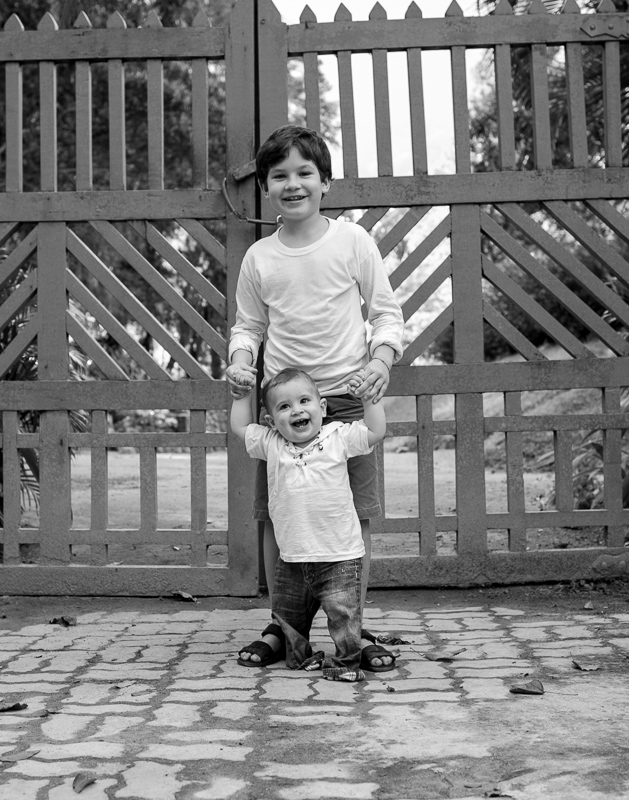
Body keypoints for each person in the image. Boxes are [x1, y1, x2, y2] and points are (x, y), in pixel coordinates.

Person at [225, 124, 403, 672]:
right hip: (285, 410)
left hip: (348, 401)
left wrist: (380, 361)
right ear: (265, 186)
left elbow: (385, 314)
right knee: (279, 517)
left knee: (353, 518)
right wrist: (240, 360)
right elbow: (248, 326)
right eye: (279, 175)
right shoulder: (260, 257)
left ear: (326, 182)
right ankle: (283, 627)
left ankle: (350, 622)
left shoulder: (352, 242)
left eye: (305, 173)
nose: (293, 184)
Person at [230, 368, 385, 677]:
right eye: (284, 406)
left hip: (339, 555)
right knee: (288, 616)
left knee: (344, 616)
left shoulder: (338, 436)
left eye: (304, 401)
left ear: (322, 409)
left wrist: (369, 399)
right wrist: (241, 394)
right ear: (272, 421)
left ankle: (346, 663)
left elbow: (375, 431)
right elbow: (239, 426)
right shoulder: (272, 443)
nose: (297, 410)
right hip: (292, 557)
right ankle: (301, 657)